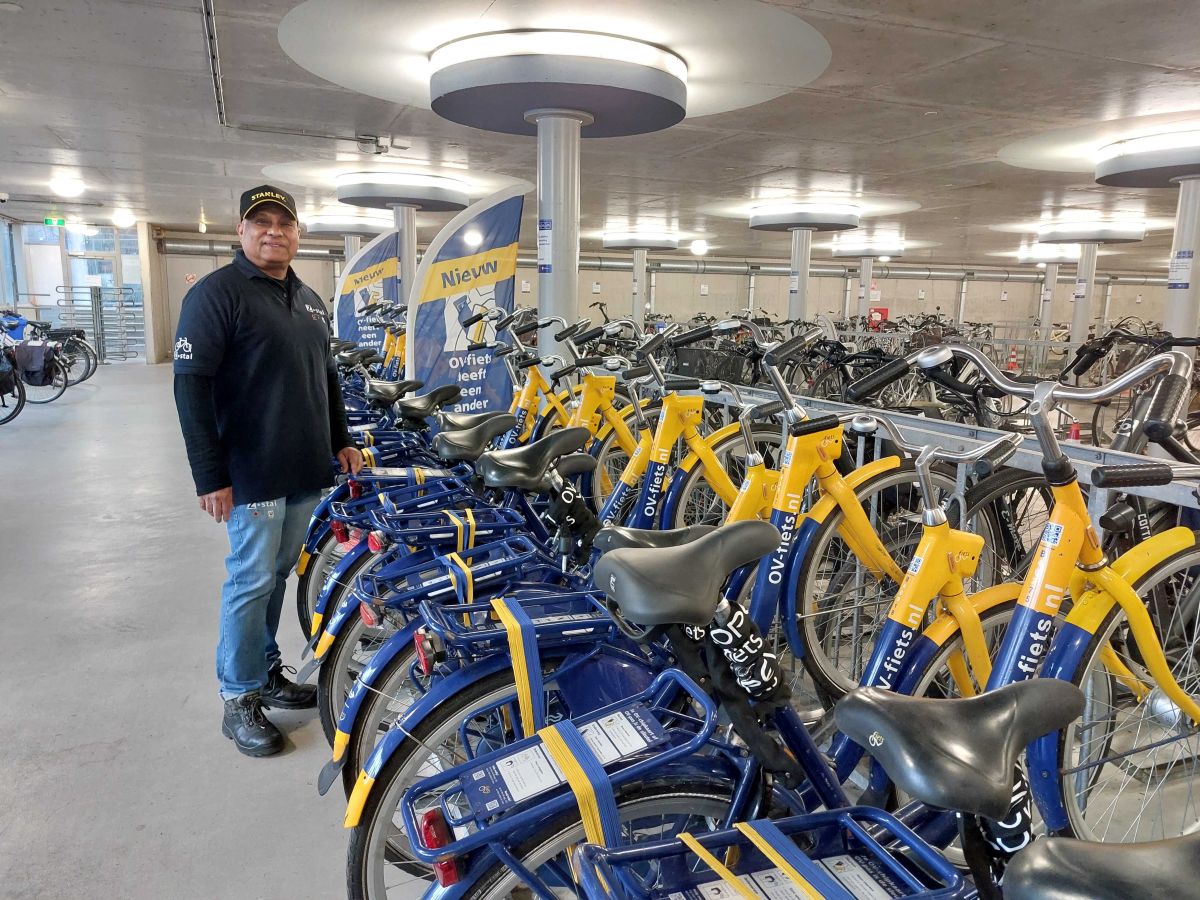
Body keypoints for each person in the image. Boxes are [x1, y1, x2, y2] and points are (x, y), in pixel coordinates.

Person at [172, 185, 363, 757]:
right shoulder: (216, 295)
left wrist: (342, 440)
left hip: (303, 466)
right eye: (261, 223)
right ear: (241, 231)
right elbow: (190, 387)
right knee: (250, 579)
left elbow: (326, 377)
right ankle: (238, 696)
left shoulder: (309, 298)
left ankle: (264, 670)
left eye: (285, 223)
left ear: (298, 234)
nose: (273, 232)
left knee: (278, 574)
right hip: (250, 470)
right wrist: (209, 475)